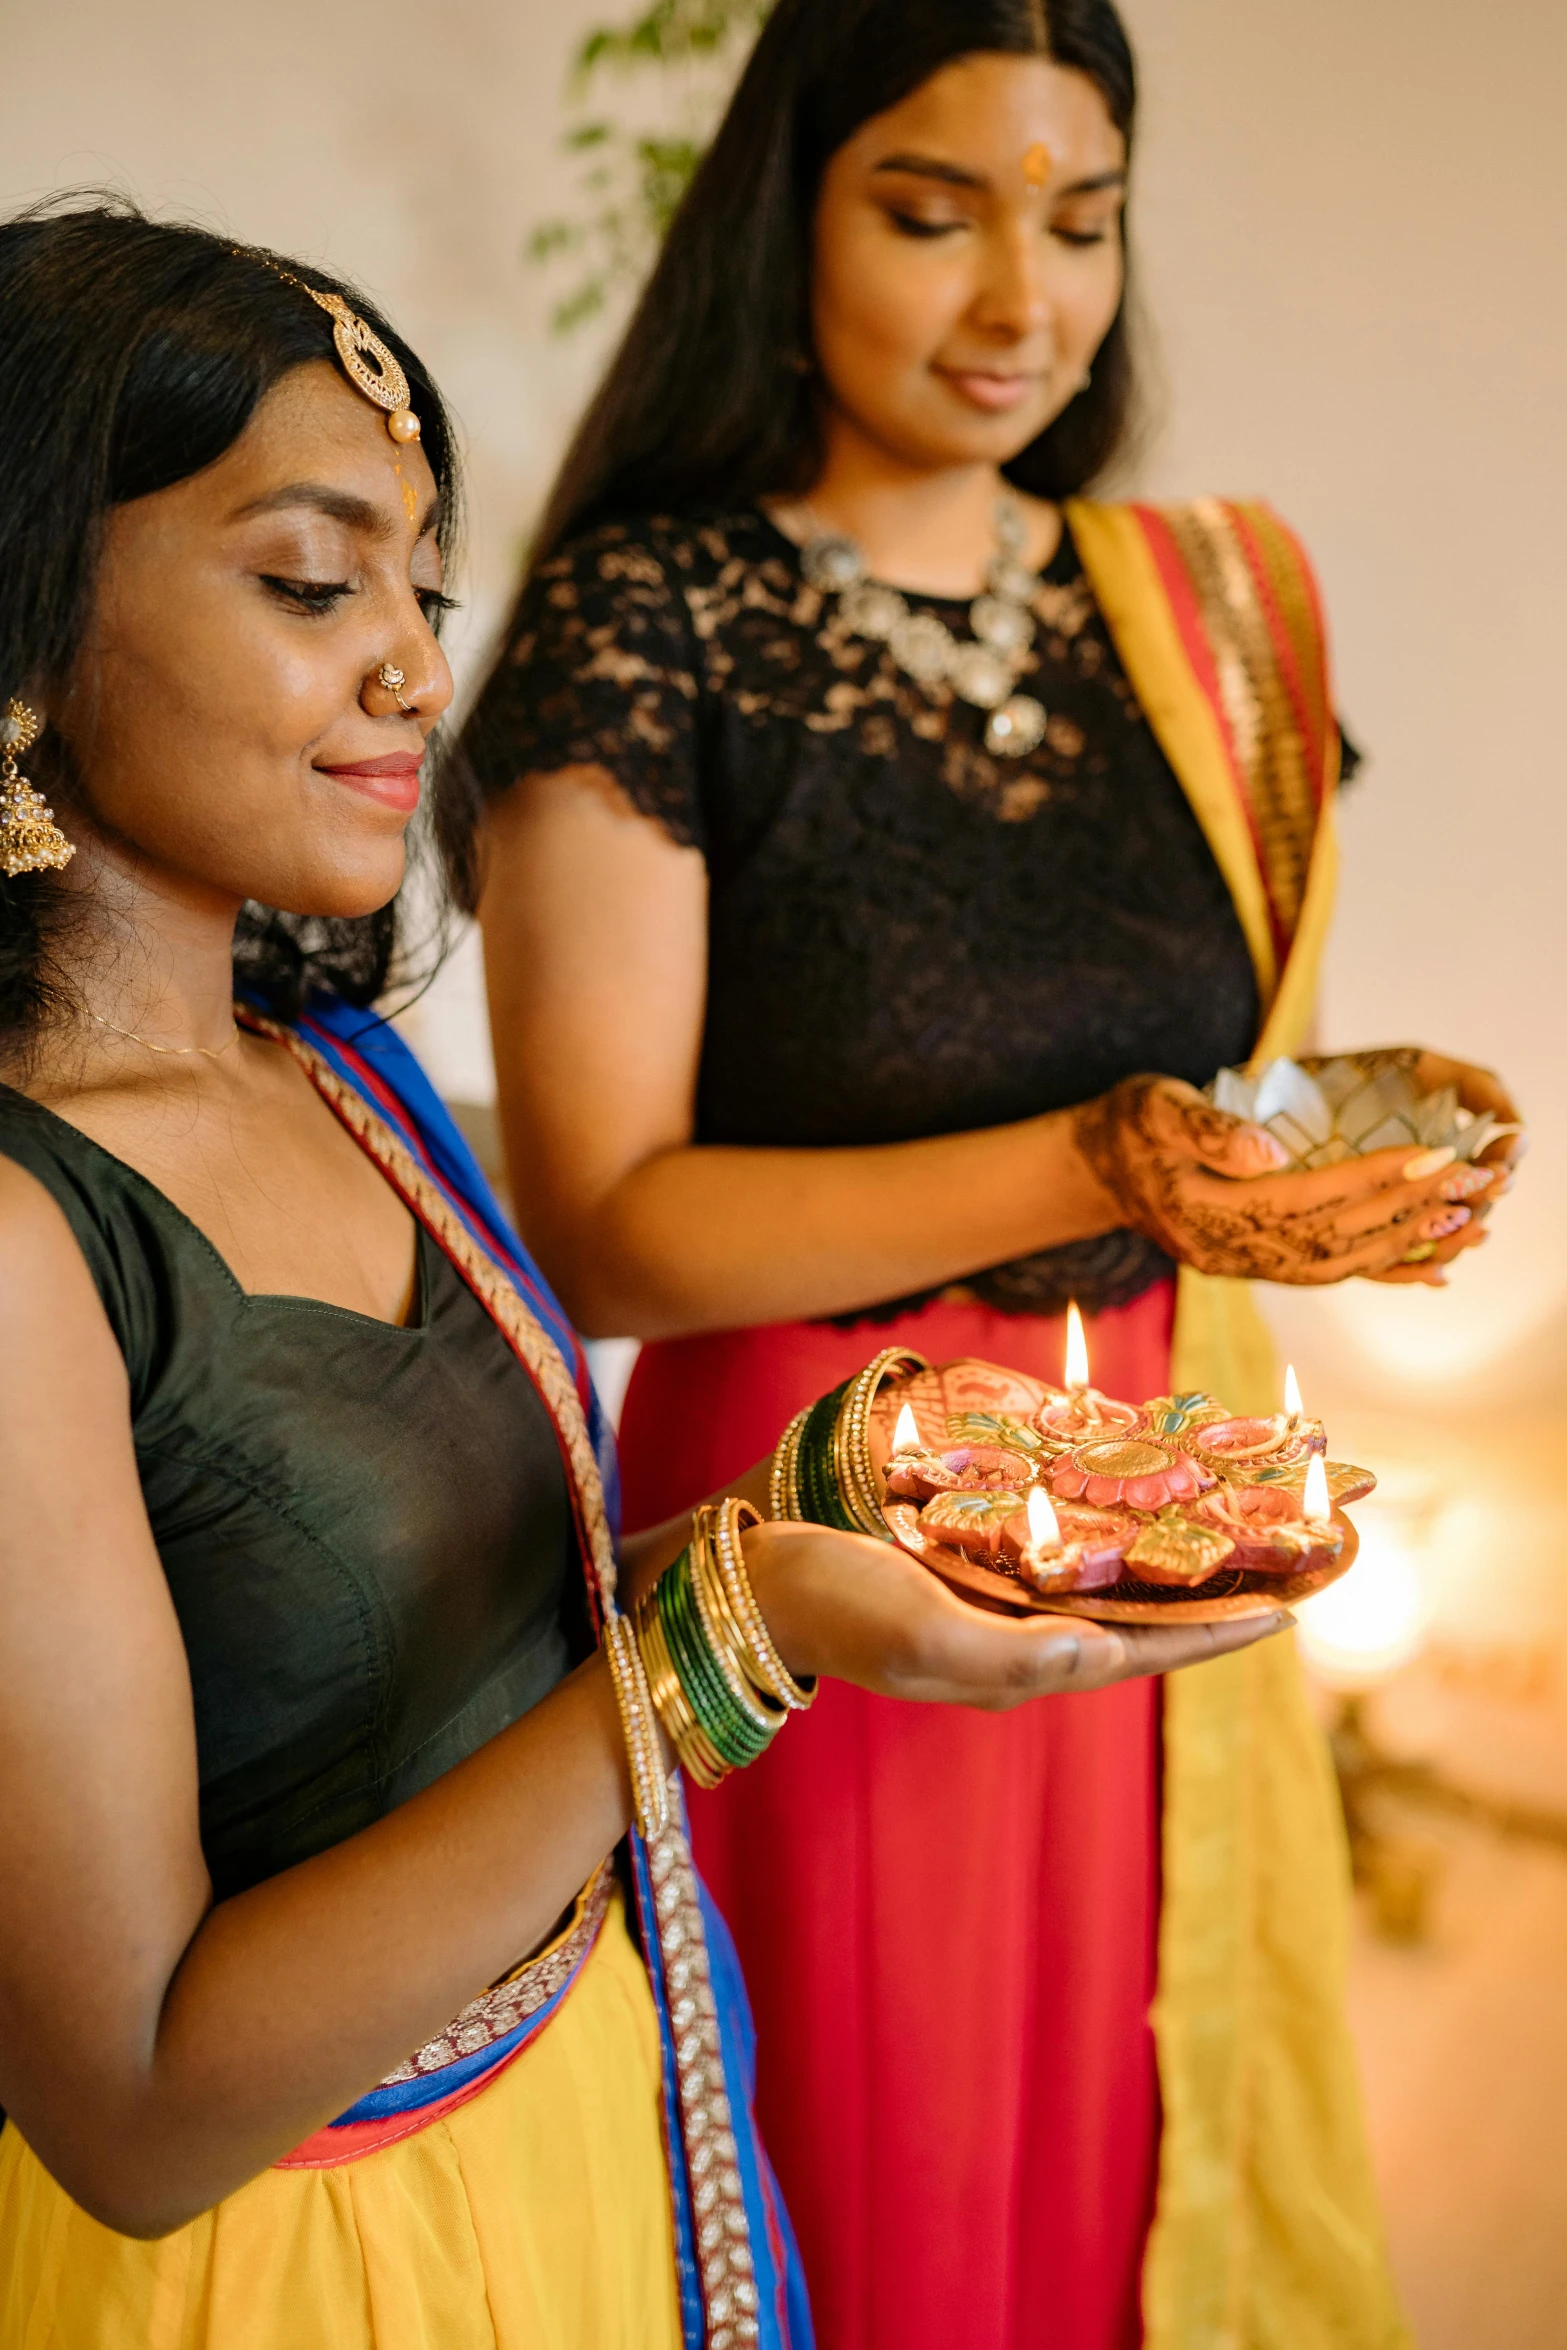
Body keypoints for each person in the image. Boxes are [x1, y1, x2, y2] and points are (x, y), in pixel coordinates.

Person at [0, 200, 1273, 2350]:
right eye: (313, 580)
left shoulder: (355, 1084)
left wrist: (860, 1509)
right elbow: (137, 2104)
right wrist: (740, 1626)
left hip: (584, 2124)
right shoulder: (31, 1224)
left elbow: (465, 1656)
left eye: (423, 582)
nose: (415, 663)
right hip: (293, 2259)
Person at [461, 4, 1522, 2345]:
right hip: (832, 1508)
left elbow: (1225, 1091)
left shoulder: (1202, 615)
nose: (1020, 297)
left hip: (1162, 1459)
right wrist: (1097, 1155)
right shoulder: (657, 618)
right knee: (878, 2175)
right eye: (930, 213)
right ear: (788, 214)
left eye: (1082, 219)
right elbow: (602, 1216)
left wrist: (1314, 1175)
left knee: (1132, 2158)